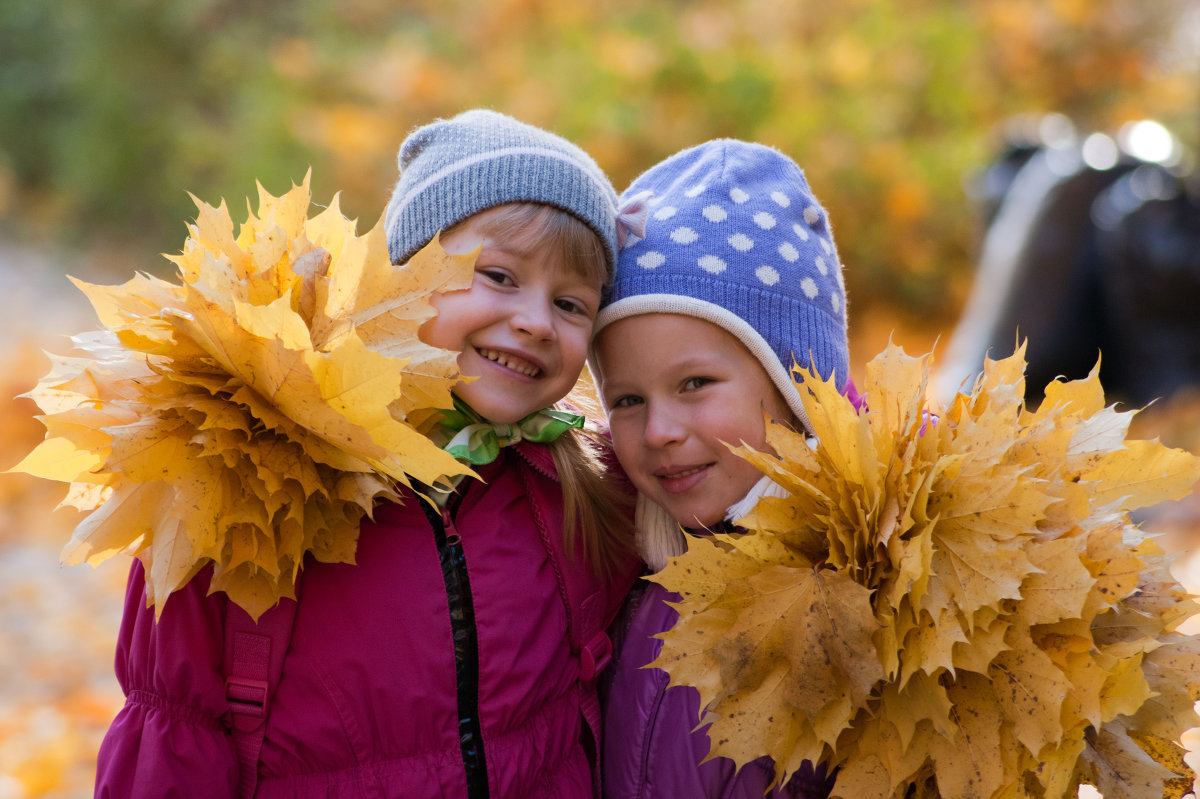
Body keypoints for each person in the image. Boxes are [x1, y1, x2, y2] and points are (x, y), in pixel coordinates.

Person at [94, 109, 639, 799]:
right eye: (498, 276)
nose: (535, 319)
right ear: (401, 280)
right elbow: (175, 737)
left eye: (571, 303)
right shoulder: (249, 476)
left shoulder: (581, 492)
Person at [591, 139, 845, 798]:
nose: (660, 430)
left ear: (796, 389)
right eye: (626, 398)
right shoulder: (623, 569)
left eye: (696, 382)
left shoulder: (871, 585)